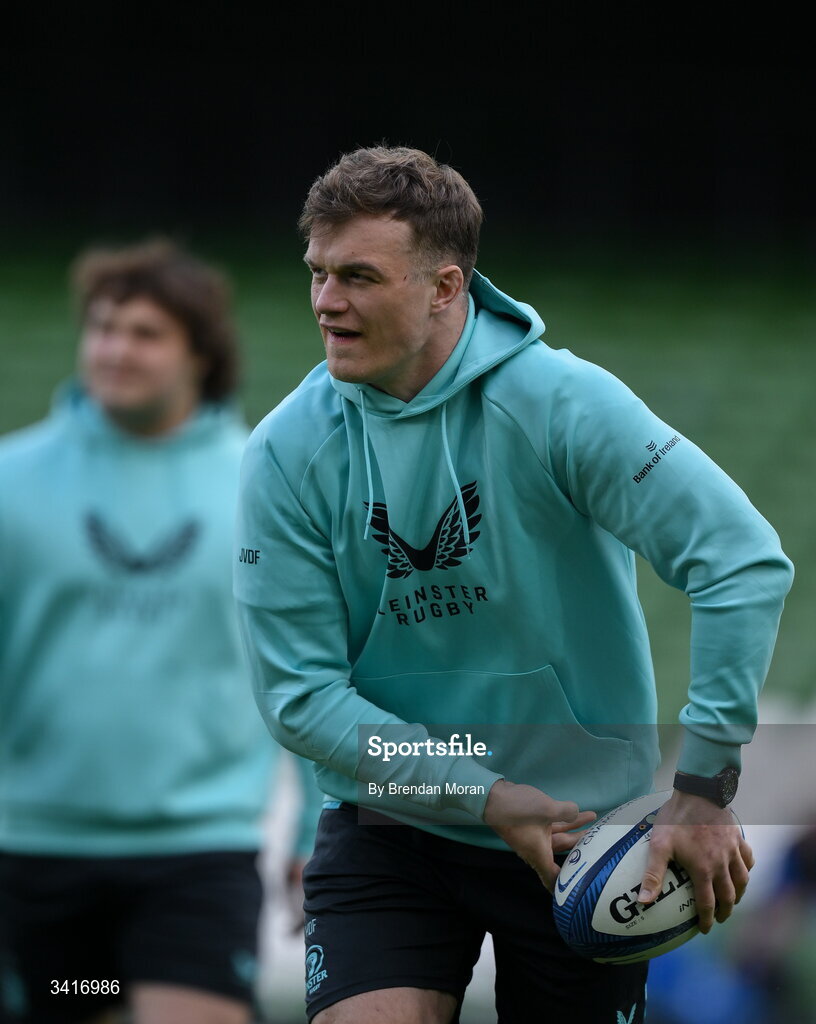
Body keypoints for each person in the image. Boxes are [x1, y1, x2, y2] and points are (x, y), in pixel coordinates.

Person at [233, 147, 794, 1024]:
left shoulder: (561, 402)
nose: (325, 302)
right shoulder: (284, 453)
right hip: (395, 825)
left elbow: (741, 558)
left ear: (446, 287)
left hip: (589, 836)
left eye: (357, 276)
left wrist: (707, 785)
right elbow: (298, 698)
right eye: (316, 274)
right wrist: (484, 796)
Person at [0, 239, 322, 1024]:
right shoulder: (11, 481)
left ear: (200, 355)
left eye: (145, 333)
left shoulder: (261, 485)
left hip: (199, 850)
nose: (114, 350)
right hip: (34, 850)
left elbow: (309, 667)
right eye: (103, 329)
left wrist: (319, 833)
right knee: (89, 1003)